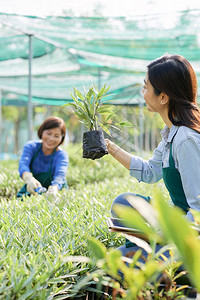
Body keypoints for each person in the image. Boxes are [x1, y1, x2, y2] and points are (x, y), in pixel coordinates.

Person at [105, 54, 200, 257]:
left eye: (146, 87)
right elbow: (149, 172)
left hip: (191, 238)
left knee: (120, 263)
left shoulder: (186, 140)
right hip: (179, 222)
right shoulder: (171, 134)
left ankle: (162, 257)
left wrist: (161, 232)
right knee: (124, 203)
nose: (143, 93)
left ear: (163, 97)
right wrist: (110, 148)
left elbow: (198, 212)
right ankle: (149, 251)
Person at [17, 116, 69, 198]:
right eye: (48, 134)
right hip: (34, 189)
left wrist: (55, 188)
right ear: (42, 132)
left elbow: (60, 174)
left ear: (61, 138)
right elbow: (23, 164)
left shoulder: (61, 155)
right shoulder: (31, 147)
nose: (51, 139)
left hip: (56, 191)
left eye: (56, 136)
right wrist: (28, 178)